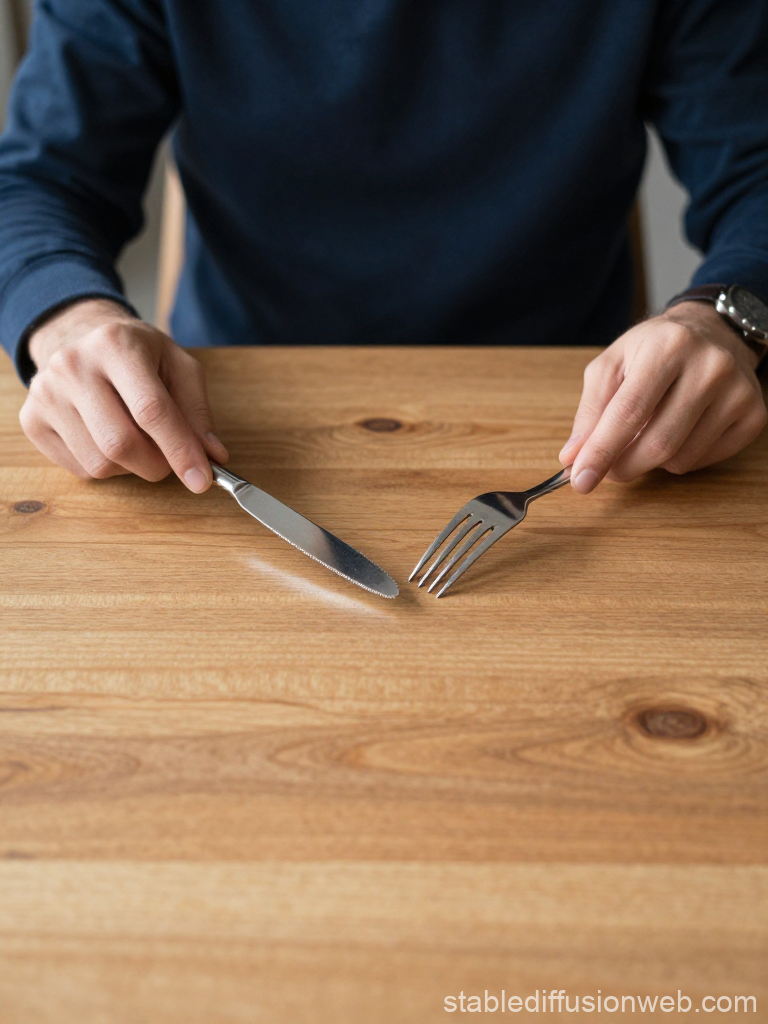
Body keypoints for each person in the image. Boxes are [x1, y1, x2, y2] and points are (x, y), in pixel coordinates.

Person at [1, 0, 766, 497]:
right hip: (222, 422)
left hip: (580, 423)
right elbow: (37, 181)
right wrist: (65, 316)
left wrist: (724, 318)